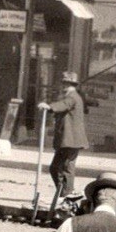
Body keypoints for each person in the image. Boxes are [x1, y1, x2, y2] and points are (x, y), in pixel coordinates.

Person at [39, 71, 89, 216]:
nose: (64, 86)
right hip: (66, 140)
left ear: (71, 85)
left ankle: (67, 197)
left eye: (66, 84)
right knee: (55, 168)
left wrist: (48, 106)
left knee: (67, 168)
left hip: (72, 140)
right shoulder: (70, 97)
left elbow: (63, 105)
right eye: (64, 83)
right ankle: (63, 194)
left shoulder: (73, 97)